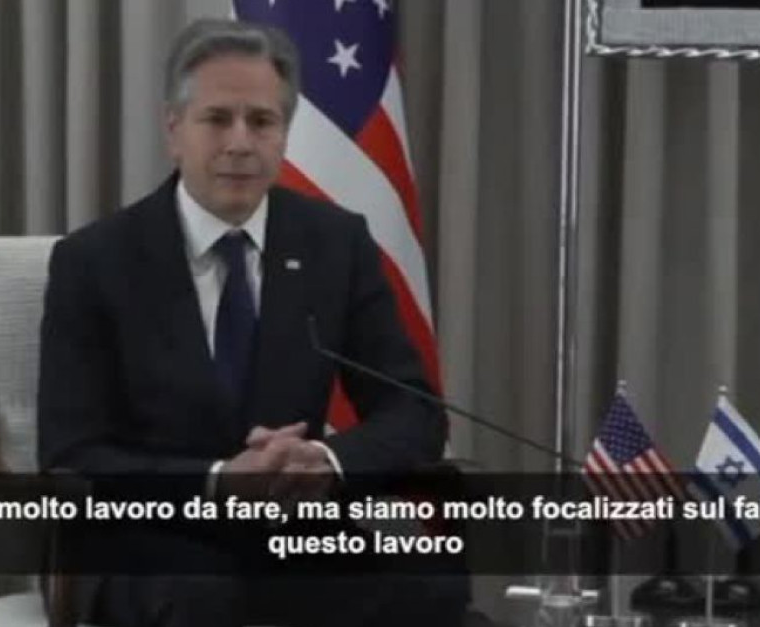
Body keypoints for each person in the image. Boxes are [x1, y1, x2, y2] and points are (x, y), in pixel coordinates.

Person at [37, 18, 468, 627]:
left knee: (434, 582)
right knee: (209, 602)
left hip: (296, 534)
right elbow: (73, 452)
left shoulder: (336, 244)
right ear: (174, 130)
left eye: (261, 121)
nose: (240, 143)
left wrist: (325, 460)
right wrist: (218, 480)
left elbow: (414, 411)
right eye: (217, 119)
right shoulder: (94, 261)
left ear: (284, 135)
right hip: (154, 537)